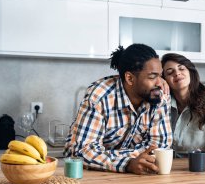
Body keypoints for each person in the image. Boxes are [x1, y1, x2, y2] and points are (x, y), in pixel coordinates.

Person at [64, 44, 173, 174]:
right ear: (130, 78)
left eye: (160, 76)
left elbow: (161, 146)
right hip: (91, 175)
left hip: (136, 175)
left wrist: (110, 156)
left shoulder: (159, 96)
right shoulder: (99, 97)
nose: (160, 83)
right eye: (152, 77)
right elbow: (82, 152)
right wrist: (127, 163)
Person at [161, 53, 205, 168]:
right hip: (167, 167)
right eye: (170, 72)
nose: (177, 73)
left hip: (199, 166)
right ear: (164, 80)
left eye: (181, 68)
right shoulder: (161, 102)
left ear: (190, 72)